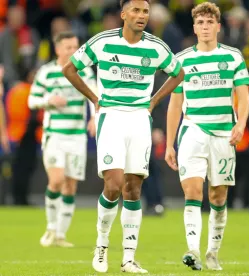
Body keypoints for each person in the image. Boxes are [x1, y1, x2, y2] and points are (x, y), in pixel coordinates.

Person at [62, 0, 184, 273]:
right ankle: (102, 245)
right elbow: (69, 69)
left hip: (140, 119)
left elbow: (178, 73)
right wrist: (94, 98)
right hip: (112, 116)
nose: (141, 16)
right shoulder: (102, 42)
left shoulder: (156, 46)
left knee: (133, 189)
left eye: (145, 12)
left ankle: (128, 258)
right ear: (123, 14)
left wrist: (153, 101)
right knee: (114, 184)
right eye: (136, 11)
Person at [164, 2, 249, 271]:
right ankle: (193, 250)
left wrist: (242, 123)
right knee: (192, 190)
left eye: (209, 22)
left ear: (218, 26)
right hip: (193, 130)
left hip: (224, 133)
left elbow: (245, 97)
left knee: (218, 197)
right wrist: (169, 143)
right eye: (200, 23)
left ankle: (213, 251)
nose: (204, 27)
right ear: (194, 27)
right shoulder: (182, 59)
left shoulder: (234, 57)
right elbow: (175, 104)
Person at [29, 31, 96, 248]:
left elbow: (94, 96)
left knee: (70, 186)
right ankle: (50, 228)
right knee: (56, 181)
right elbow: (32, 100)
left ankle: (60, 235)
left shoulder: (83, 72)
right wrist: (49, 100)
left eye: (75, 46)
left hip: (76, 137)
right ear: (58, 49)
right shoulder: (46, 72)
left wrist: (94, 118)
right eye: (68, 47)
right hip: (54, 134)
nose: (72, 51)